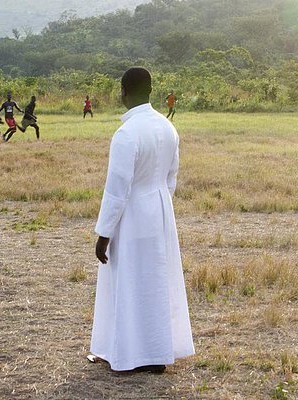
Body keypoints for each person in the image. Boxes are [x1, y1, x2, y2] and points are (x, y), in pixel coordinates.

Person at [89, 67, 194, 373]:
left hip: (133, 214)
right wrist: (159, 207)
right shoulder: (166, 127)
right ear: (150, 91)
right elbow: (171, 179)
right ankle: (156, 354)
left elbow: (117, 190)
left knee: (128, 282)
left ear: (123, 92)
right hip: (160, 210)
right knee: (155, 282)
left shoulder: (126, 133)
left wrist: (104, 234)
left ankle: (127, 356)